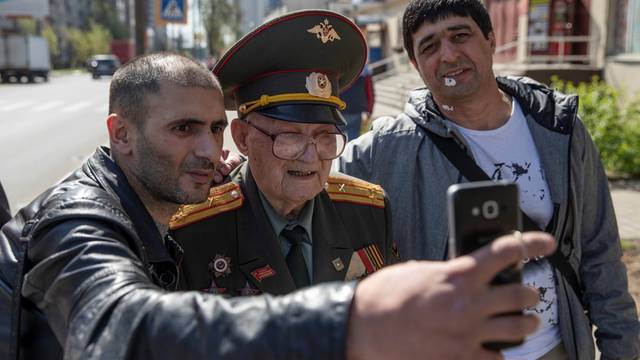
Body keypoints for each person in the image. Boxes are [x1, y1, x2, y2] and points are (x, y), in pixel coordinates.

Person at [0, 51, 556, 360]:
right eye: (182, 128)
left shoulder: (159, 203)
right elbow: (120, 328)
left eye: (213, 128)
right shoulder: (76, 217)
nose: (205, 149)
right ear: (120, 135)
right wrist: (355, 321)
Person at [336, 0, 640, 359]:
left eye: (460, 36)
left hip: (553, 348)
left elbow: (599, 254)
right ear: (416, 65)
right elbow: (310, 183)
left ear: (491, 40)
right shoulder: (389, 147)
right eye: (429, 46)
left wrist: (622, 350)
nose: (448, 55)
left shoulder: (559, 129)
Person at [170, 11, 396, 296]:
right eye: (290, 138)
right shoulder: (191, 228)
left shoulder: (369, 211)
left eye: (324, 137)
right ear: (242, 137)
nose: (311, 158)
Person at [339, 64, 374, 140]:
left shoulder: (338, 65)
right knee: (353, 141)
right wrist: (369, 110)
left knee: (339, 142)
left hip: (340, 109)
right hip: (356, 109)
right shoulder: (364, 69)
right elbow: (369, 91)